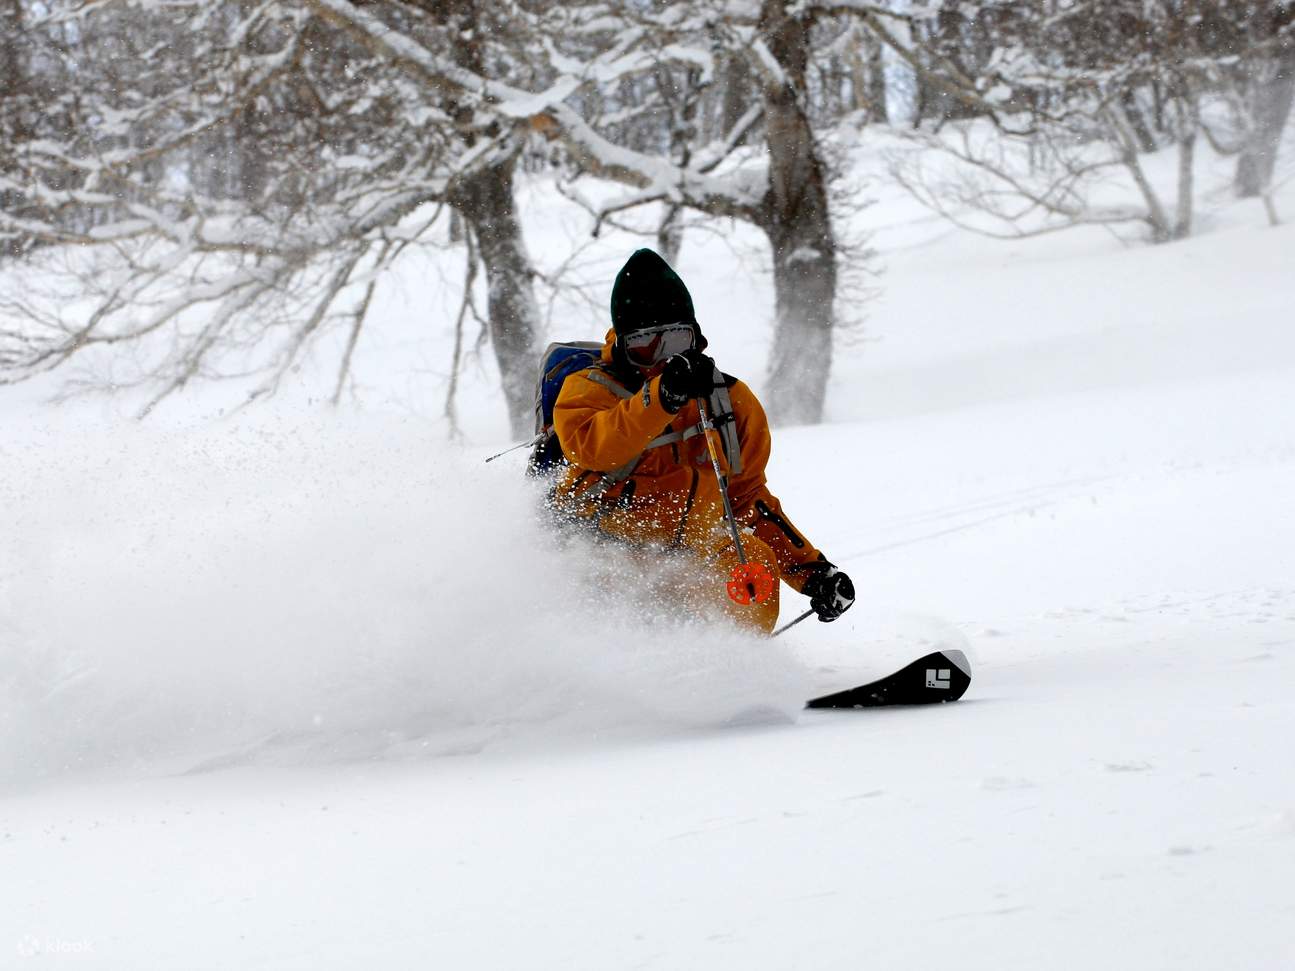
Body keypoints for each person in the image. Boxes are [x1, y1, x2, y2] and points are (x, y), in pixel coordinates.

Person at [550, 248, 854, 635]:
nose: (662, 357)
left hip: (687, 554)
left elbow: (747, 498)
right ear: (624, 345)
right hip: (600, 549)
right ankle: (602, 672)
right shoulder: (589, 390)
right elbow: (593, 448)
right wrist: (662, 398)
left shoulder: (729, 401)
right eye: (645, 344)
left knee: (751, 561)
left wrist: (813, 573)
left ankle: (737, 671)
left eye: (676, 339)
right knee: (607, 589)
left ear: (696, 337)